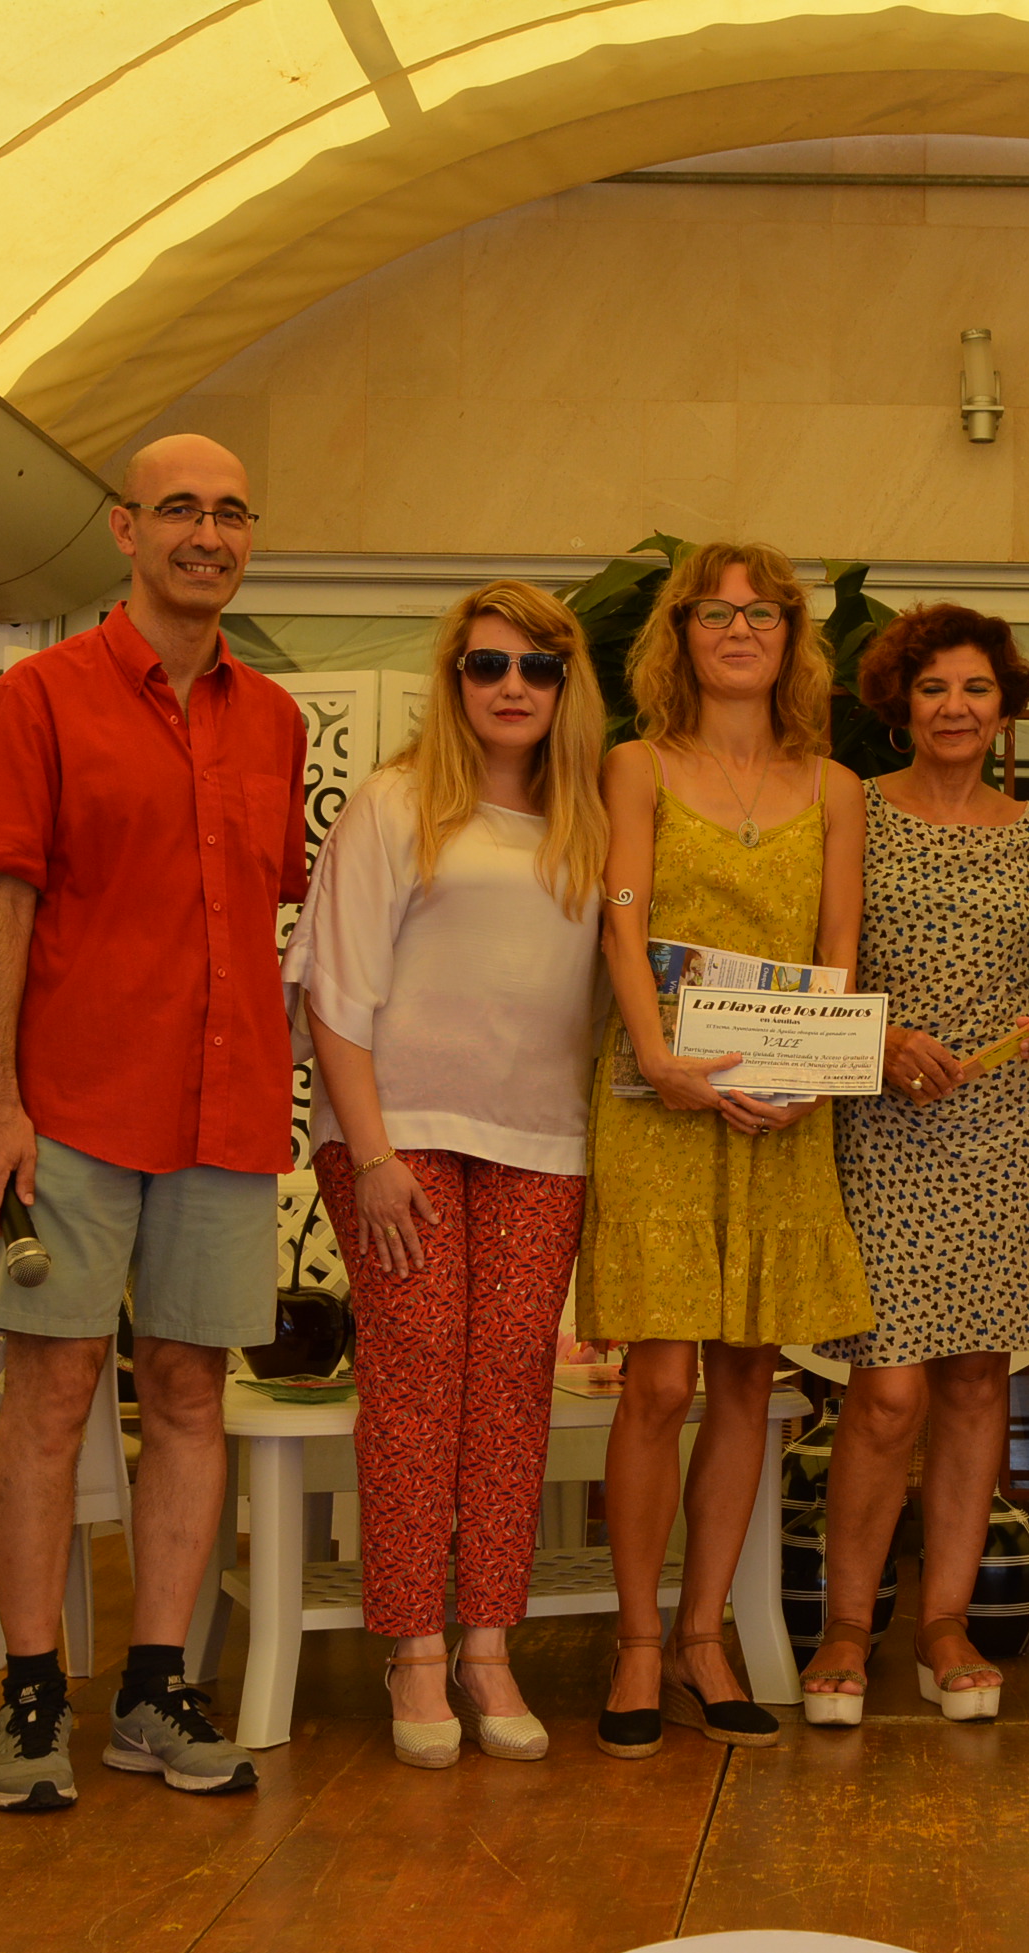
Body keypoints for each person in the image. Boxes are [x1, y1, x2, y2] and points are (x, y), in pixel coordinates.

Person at [0, 434, 307, 1812]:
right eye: (179, 510)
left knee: (189, 1393)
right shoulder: (40, 697)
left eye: (230, 510)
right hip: (77, 1112)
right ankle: (32, 1696)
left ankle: (155, 1690)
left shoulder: (273, 721)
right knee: (48, 1397)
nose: (206, 533)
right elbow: (0, 908)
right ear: (125, 530)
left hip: (224, 1114)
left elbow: (277, 900)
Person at [289, 580, 608, 1768]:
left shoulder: (590, 826)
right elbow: (334, 988)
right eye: (488, 665)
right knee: (419, 1381)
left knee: (513, 1388)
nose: (512, 686)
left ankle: (487, 1642)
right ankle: (414, 1647)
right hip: (399, 1134)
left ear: (565, 686)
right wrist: (367, 1152)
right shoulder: (391, 806)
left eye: (537, 667)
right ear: (454, 678)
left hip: (541, 1142)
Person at [578, 541, 874, 1756]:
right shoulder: (634, 765)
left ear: (794, 635)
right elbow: (619, 914)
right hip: (656, 1095)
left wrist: (802, 1076)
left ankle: (706, 1636)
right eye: (716, 610)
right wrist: (655, 1055)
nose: (739, 627)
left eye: (763, 611)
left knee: (749, 1376)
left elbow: (839, 950)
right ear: (681, 633)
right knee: (657, 1378)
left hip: (782, 1108)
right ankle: (637, 1639)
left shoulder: (837, 786)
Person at [800, 606, 1029, 1729]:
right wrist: (873, 1041)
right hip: (883, 1126)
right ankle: (843, 1625)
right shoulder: (850, 811)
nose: (957, 707)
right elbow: (822, 964)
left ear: (1003, 705)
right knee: (883, 1395)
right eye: (935, 689)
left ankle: (943, 1622)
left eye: (976, 689)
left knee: (978, 1382)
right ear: (900, 705)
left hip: (1002, 1125)